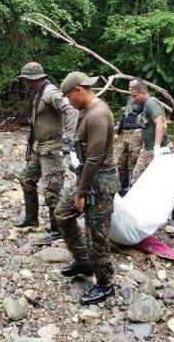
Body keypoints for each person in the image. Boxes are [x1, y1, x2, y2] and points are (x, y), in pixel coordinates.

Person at [55, 71, 120, 305]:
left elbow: (95, 158)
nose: (68, 102)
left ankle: (105, 285)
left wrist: (81, 193)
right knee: (62, 214)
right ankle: (83, 260)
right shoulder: (88, 112)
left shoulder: (98, 115)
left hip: (99, 182)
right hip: (85, 176)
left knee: (96, 234)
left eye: (68, 97)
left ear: (79, 90)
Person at [16, 62, 79, 245]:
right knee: (26, 178)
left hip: (52, 149)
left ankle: (57, 230)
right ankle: (31, 218)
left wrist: (67, 138)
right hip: (40, 147)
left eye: (25, 80)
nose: (24, 83)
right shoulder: (39, 93)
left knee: (52, 189)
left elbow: (72, 111)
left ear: (32, 79)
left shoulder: (51, 93)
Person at [129, 80, 174, 225]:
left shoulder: (151, 102)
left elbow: (159, 123)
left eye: (135, 96)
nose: (133, 99)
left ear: (143, 93)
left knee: (166, 183)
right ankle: (141, 212)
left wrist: (157, 148)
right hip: (147, 149)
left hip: (158, 149)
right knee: (136, 180)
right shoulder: (144, 105)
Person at [114, 78, 144, 192]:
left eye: (133, 86)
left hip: (136, 133)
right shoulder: (128, 99)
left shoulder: (143, 100)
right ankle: (123, 188)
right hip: (125, 134)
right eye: (129, 86)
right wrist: (117, 132)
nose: (130, 89)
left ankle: (134, 190)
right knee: (121, 162)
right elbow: (124, 116)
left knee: (133, 164)